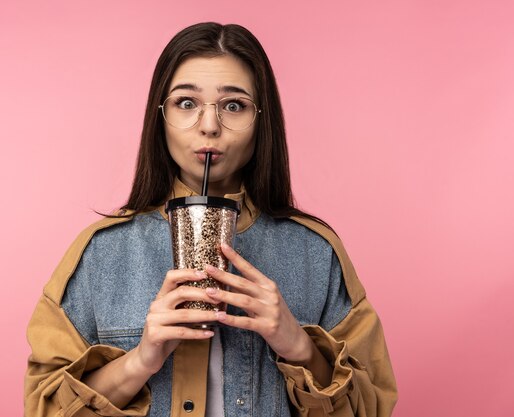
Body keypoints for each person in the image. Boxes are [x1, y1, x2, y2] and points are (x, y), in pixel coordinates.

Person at [24, 22, 397, 417]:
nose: (209, 125)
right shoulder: (101, 253)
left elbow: (371, 407)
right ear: (161, 116)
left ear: (261, 120)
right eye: (187, 103)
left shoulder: (315, 254)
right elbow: (43, 408)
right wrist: (140, 360)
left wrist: (299, 347)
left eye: (233, 105)